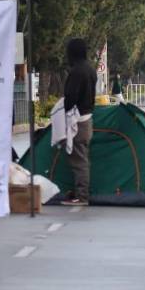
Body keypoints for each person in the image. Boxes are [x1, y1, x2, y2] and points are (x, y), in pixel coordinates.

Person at [62, 38, 96, 206]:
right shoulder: (90, 70)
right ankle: (79, 193)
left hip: (78, 121)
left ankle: (81, 196)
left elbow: (70, 97)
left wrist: (65, 112)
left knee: (79, 160)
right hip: (87, 119)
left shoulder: (76, 72)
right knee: (81, 157)